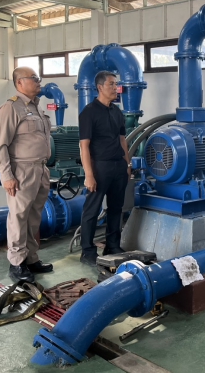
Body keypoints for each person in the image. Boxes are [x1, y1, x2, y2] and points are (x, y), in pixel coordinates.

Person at [0, 67, 53, 283]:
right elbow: (0, 145)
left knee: (34, 217)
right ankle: (17, 263)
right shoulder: (10, 108)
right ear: (20, 83)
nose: (38, 82)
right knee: (18, 217)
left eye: (38, 78)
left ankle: (31, 258)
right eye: (34, 79)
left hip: (41, 168)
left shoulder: (36, 107)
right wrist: (7, 176)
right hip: (22, 170)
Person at [78, 71, 131, 267]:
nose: (116, 88)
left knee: (116, 208)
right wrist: (89, 175)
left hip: (118, 166)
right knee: (91, 210)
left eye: (116, 84)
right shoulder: (89, 112)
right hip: (99, 167)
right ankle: (87, 251)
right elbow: (84, 146)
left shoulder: (117, 112)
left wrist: (127, 164)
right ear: (100, 87)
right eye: (111, 84)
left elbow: (122, 140)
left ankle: (112, 246)